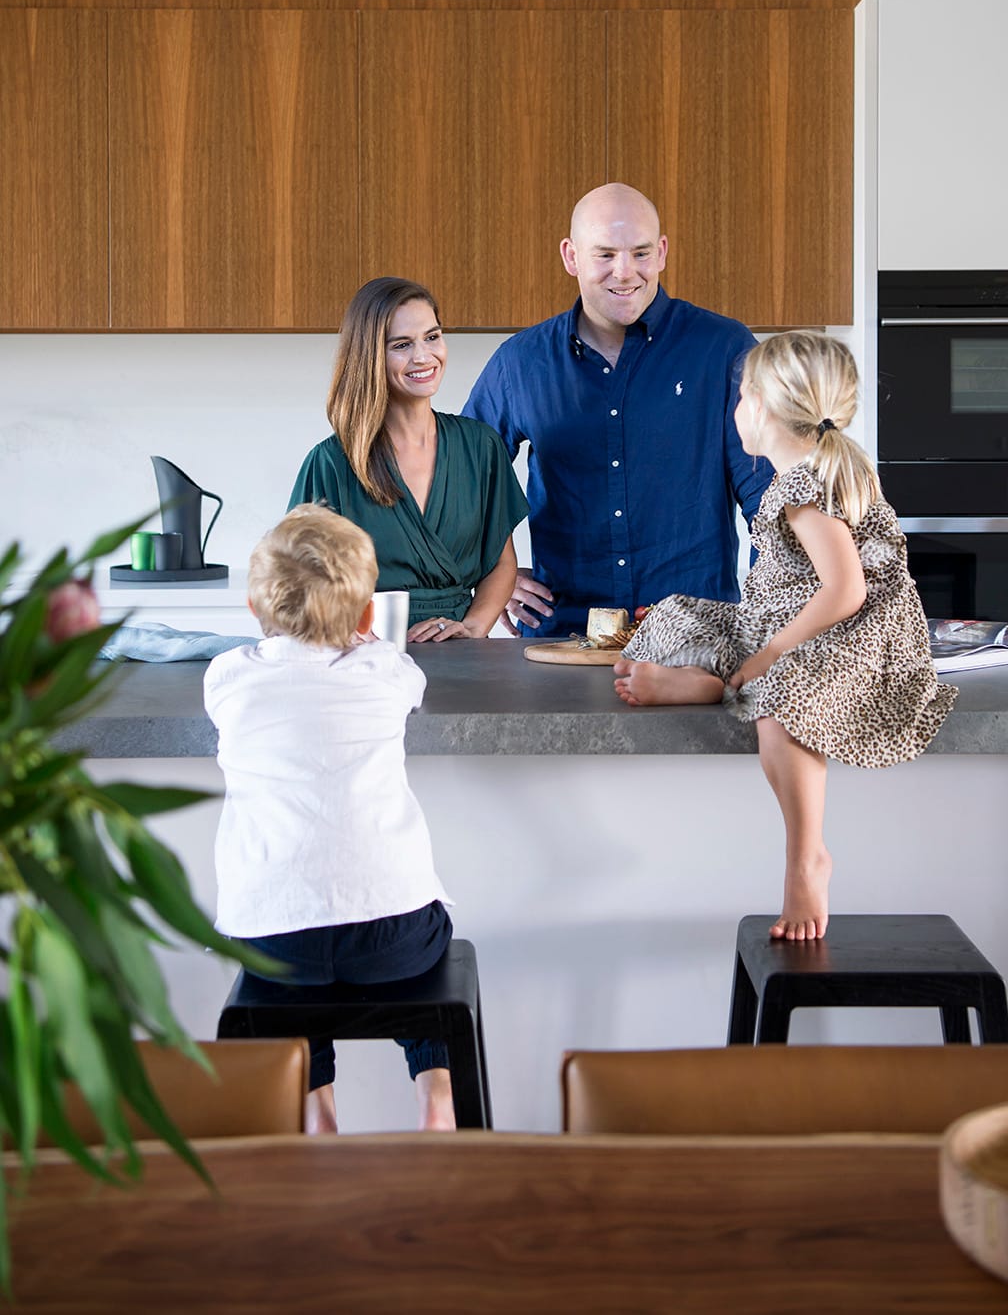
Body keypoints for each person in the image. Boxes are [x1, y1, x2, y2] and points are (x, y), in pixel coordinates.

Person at [613, 331, 957, 944]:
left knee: (783, 696)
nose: (736, 409)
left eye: (742, 396)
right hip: (787, 617)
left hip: (849, 632)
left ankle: (806, 858)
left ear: (767, 409)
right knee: (672, 616)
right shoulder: (806, 474)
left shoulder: (806, 490)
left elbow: (846, 592)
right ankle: (713, 680)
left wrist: (771, 652)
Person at [205, 504, 457, 1134]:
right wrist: (368, 643)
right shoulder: (385, 670)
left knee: (296, 982)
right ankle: (435, 1089)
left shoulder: (227, 677)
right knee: (428, 946)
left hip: (271, 938)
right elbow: (411, 683)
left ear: (254, 609)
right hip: (393, 936)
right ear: (367, 615)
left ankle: (317, 1112)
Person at [463, 184, 772, 637]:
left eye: (640, 253)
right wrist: (493, 574)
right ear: (571, 257)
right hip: (562, 638)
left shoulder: (725, 349)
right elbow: (461, 484)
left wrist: (766, 623)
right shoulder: (521, 362)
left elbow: (770, 500)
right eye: (605, 255)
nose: (624, 272)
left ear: (661, 252)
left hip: (694, 638)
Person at [290, 277, 528, 641]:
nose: (423, 356)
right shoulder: (330, 464)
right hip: (362, 655)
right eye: (402, 345)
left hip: (461, 656)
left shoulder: (480, 446)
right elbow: (299, 581)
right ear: (369, 355)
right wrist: (356, 636)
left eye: (432, 337)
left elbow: (501, 563)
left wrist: (473, 628)